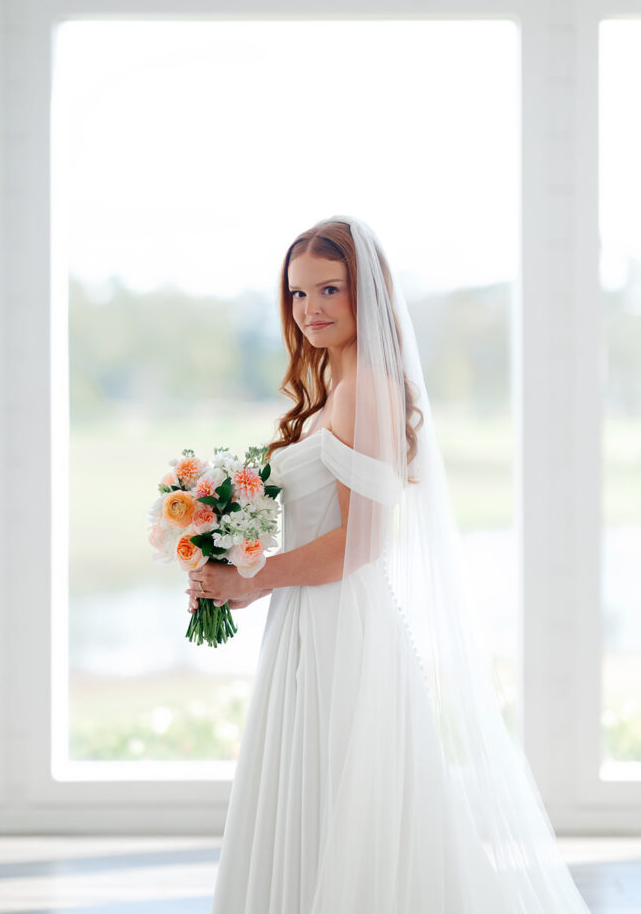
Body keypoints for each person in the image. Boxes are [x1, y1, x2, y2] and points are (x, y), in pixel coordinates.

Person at [187, 216, 592, 913]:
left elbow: (363, 542)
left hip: (341, 620)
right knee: (318, 796)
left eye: (329, 290)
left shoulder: (362, 390)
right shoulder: (332, 392)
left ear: (364, 296)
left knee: (348, 801)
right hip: (313, 615)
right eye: (296, 293)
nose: (309, 308)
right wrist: (225, 548)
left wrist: (251, 581)